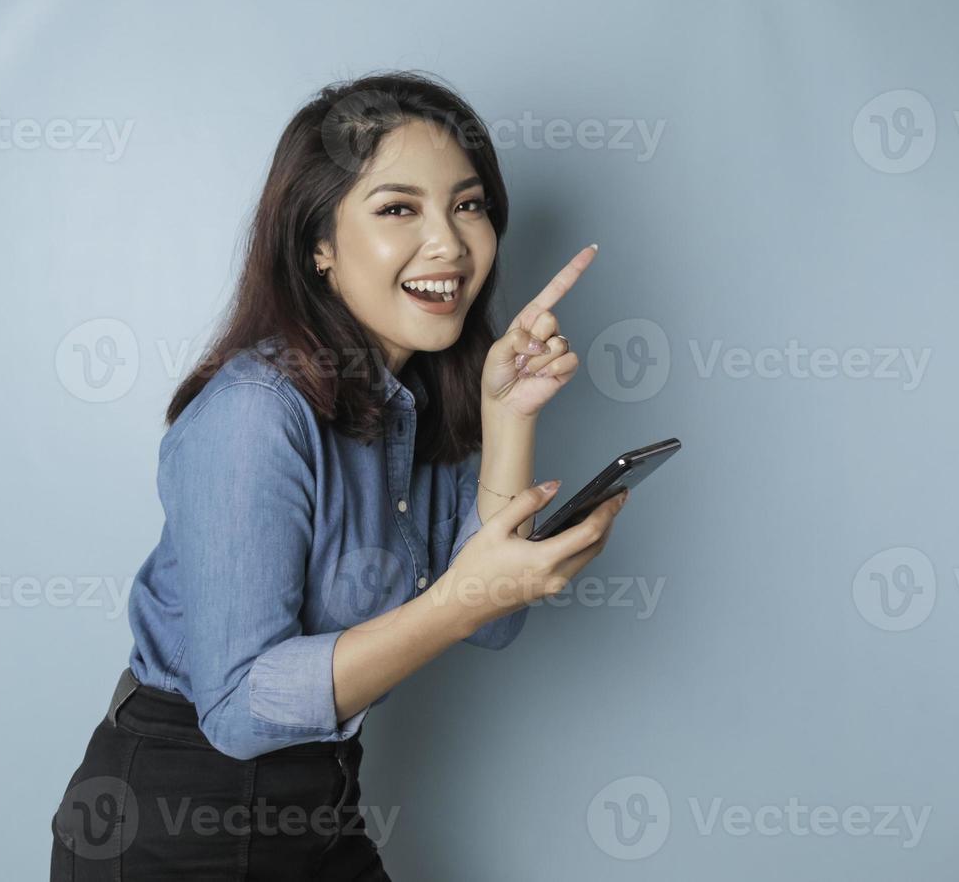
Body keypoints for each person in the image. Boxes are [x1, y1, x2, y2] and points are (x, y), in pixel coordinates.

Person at [49, 70, 631, 880]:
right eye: (399, 209)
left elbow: (491, 623)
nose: (451, 244)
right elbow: (239, 709)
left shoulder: (411, 402)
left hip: (319, 801)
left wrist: (510, 417)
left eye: (468, 205)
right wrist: (467, 596)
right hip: (174, 821)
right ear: (318, 244)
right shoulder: (257, 412)